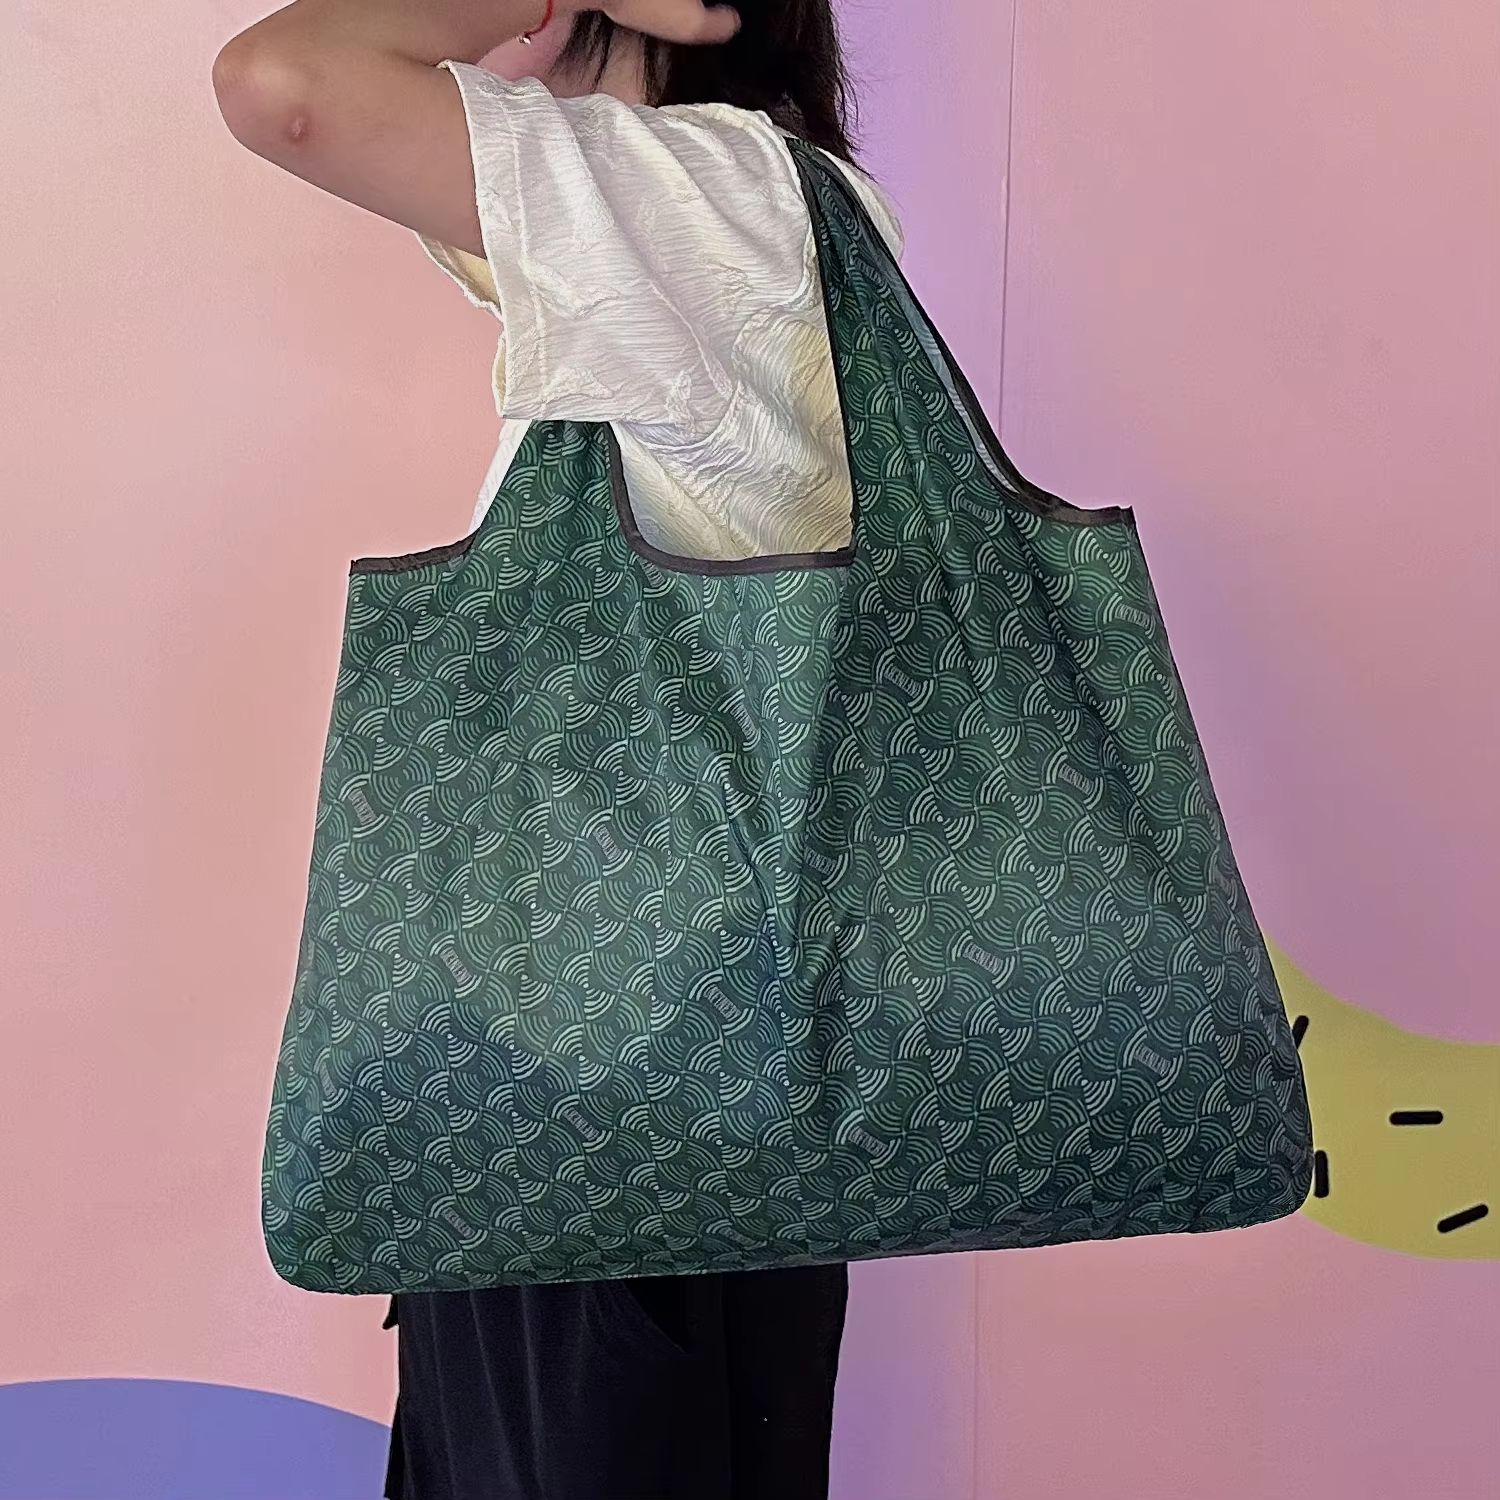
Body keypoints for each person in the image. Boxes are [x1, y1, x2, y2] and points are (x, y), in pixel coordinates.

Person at [213, 3, 904, 1497]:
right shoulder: (724, 205)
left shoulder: (703, 201)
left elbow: (285, 81)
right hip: (676, 1090)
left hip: (614, 1100)